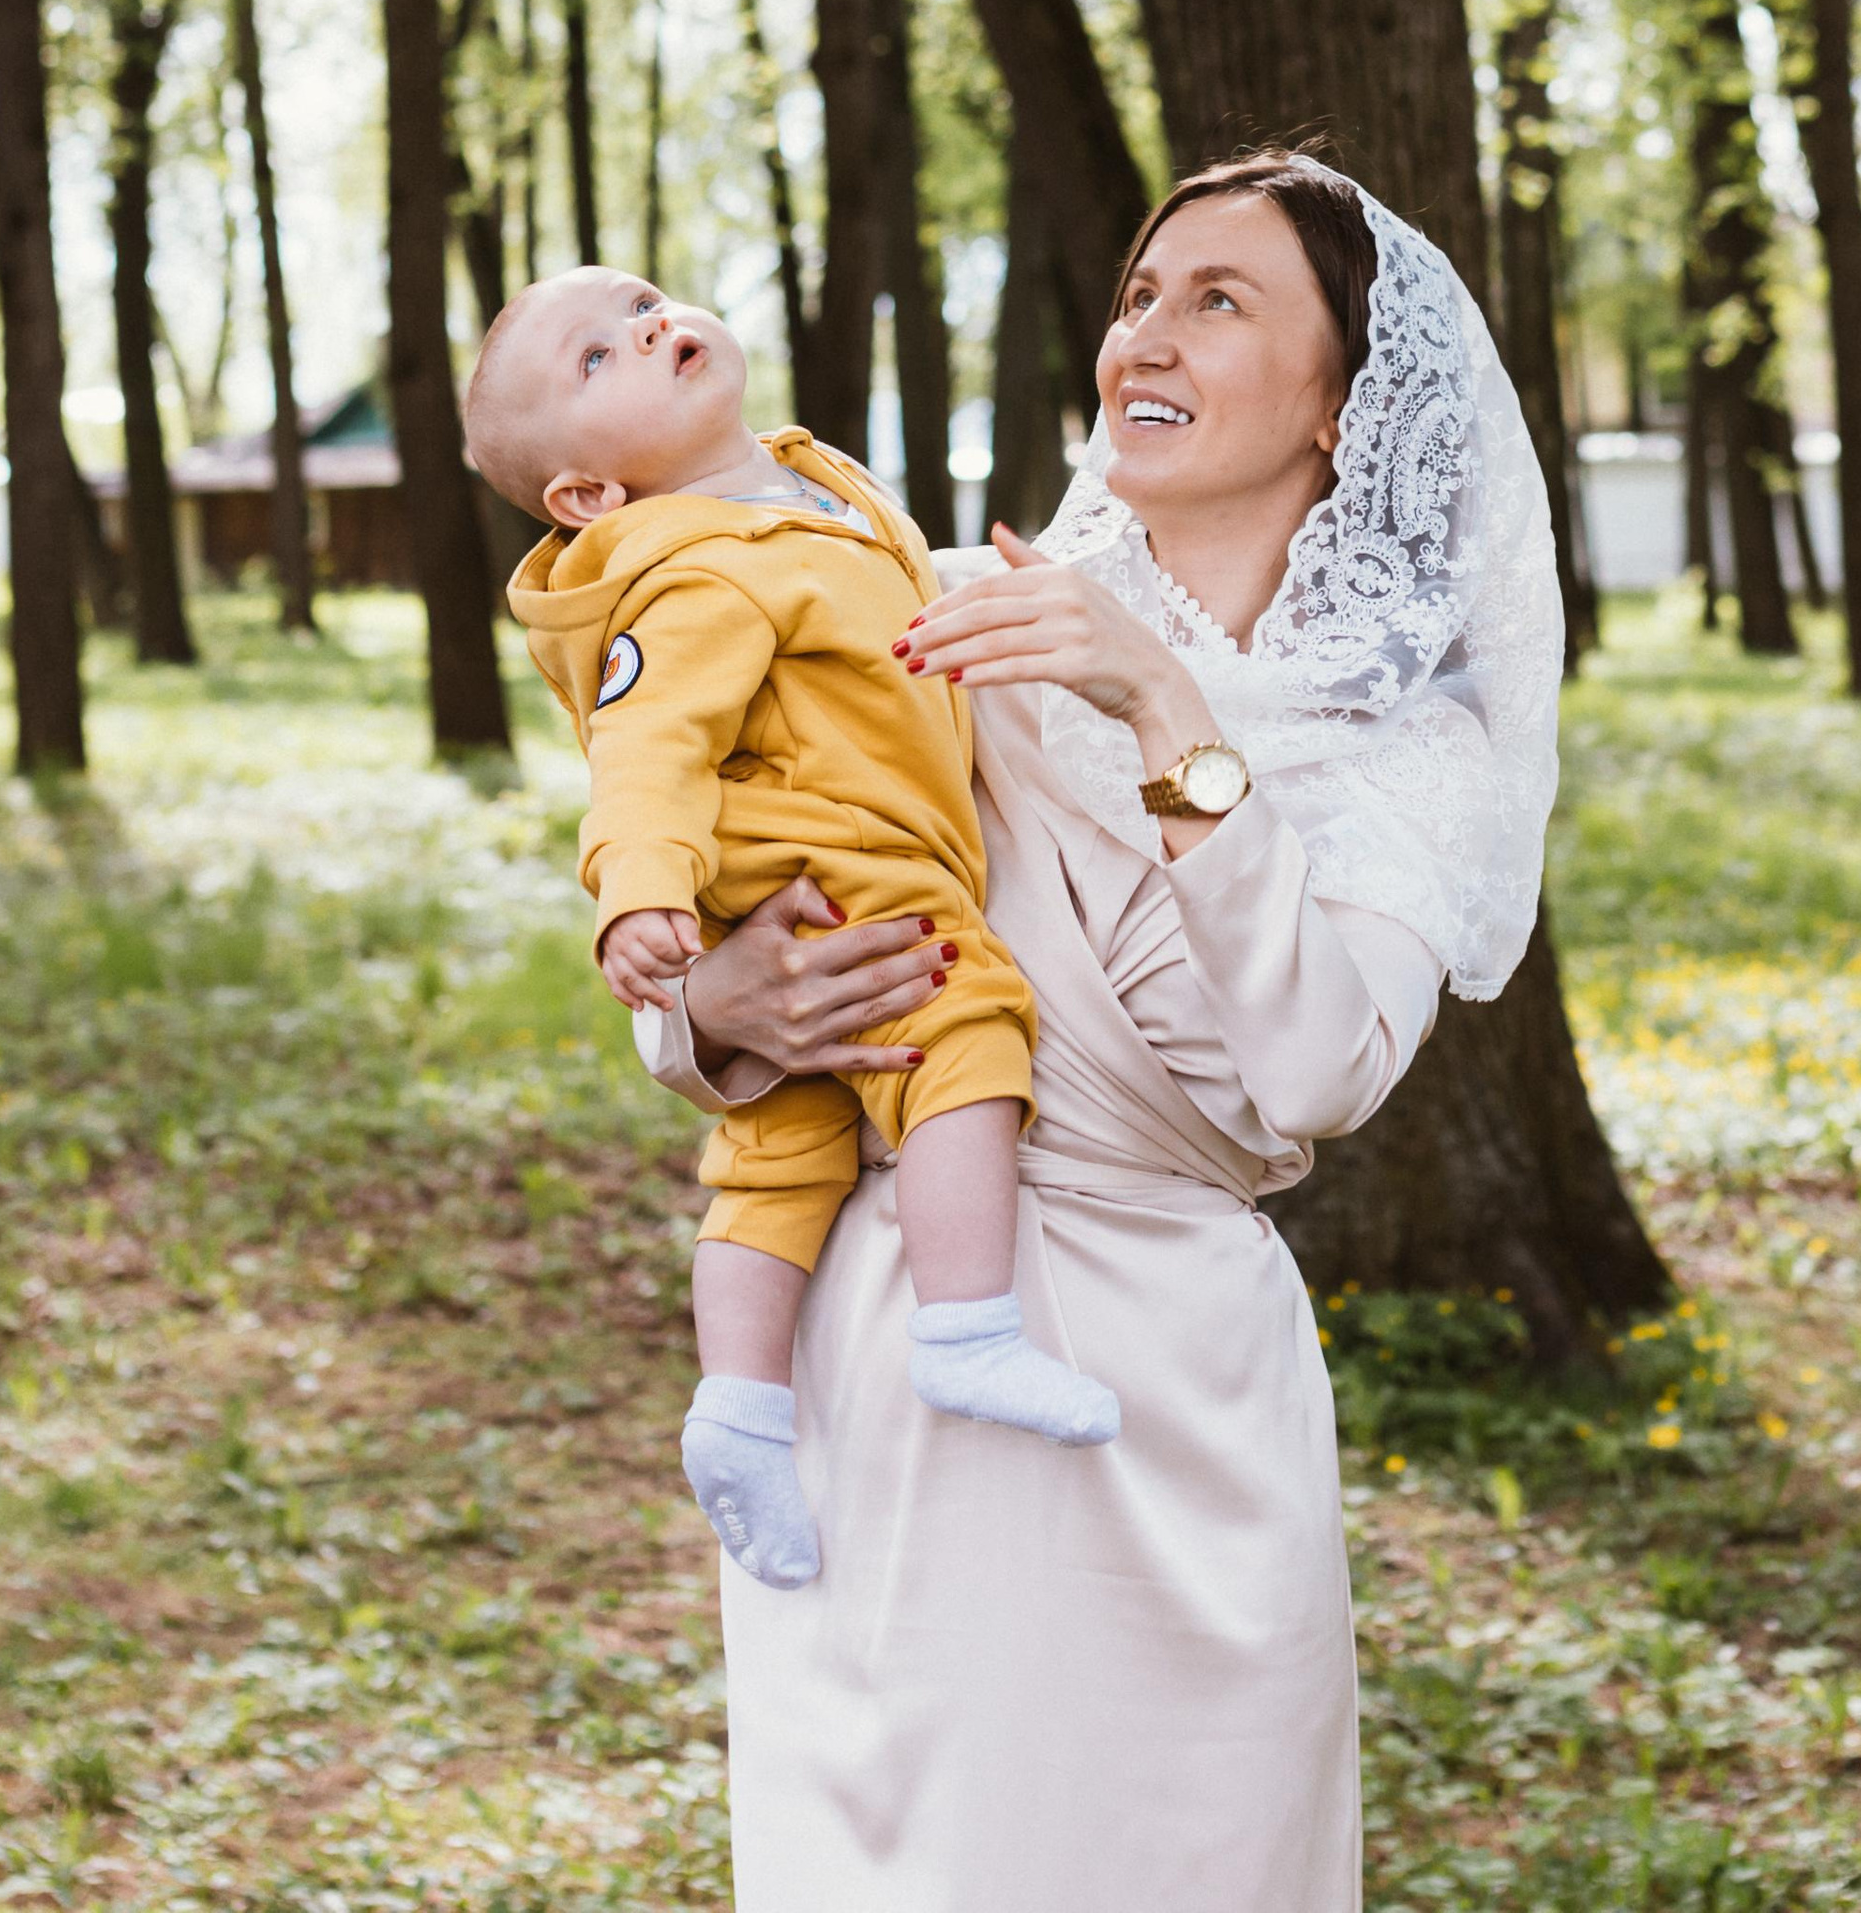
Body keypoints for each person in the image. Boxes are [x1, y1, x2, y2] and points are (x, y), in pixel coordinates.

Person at [633, 149, 1565, 1912]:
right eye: (1143, 291)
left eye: (1222, 300)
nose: (1152, 328)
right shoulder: (941, 625)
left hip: (1175, 1387)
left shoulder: (1409, 752)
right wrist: (717, 1006)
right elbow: (743, 894)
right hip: (900, 1347)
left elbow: (1314, 1070)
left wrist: (1154, 690)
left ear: (1339, 404)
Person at [466, 267, 1119, 1595]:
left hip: (836, 865)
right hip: (847, 874)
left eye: (642, 303)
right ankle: (967, 1324)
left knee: (780, 1145)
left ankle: (740, 1413)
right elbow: (647, 749)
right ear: (587, 498)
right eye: (599, 358)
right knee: (966, 1030)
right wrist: (639, 891)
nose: (650, 327)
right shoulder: (697, 573)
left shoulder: (798, 487)